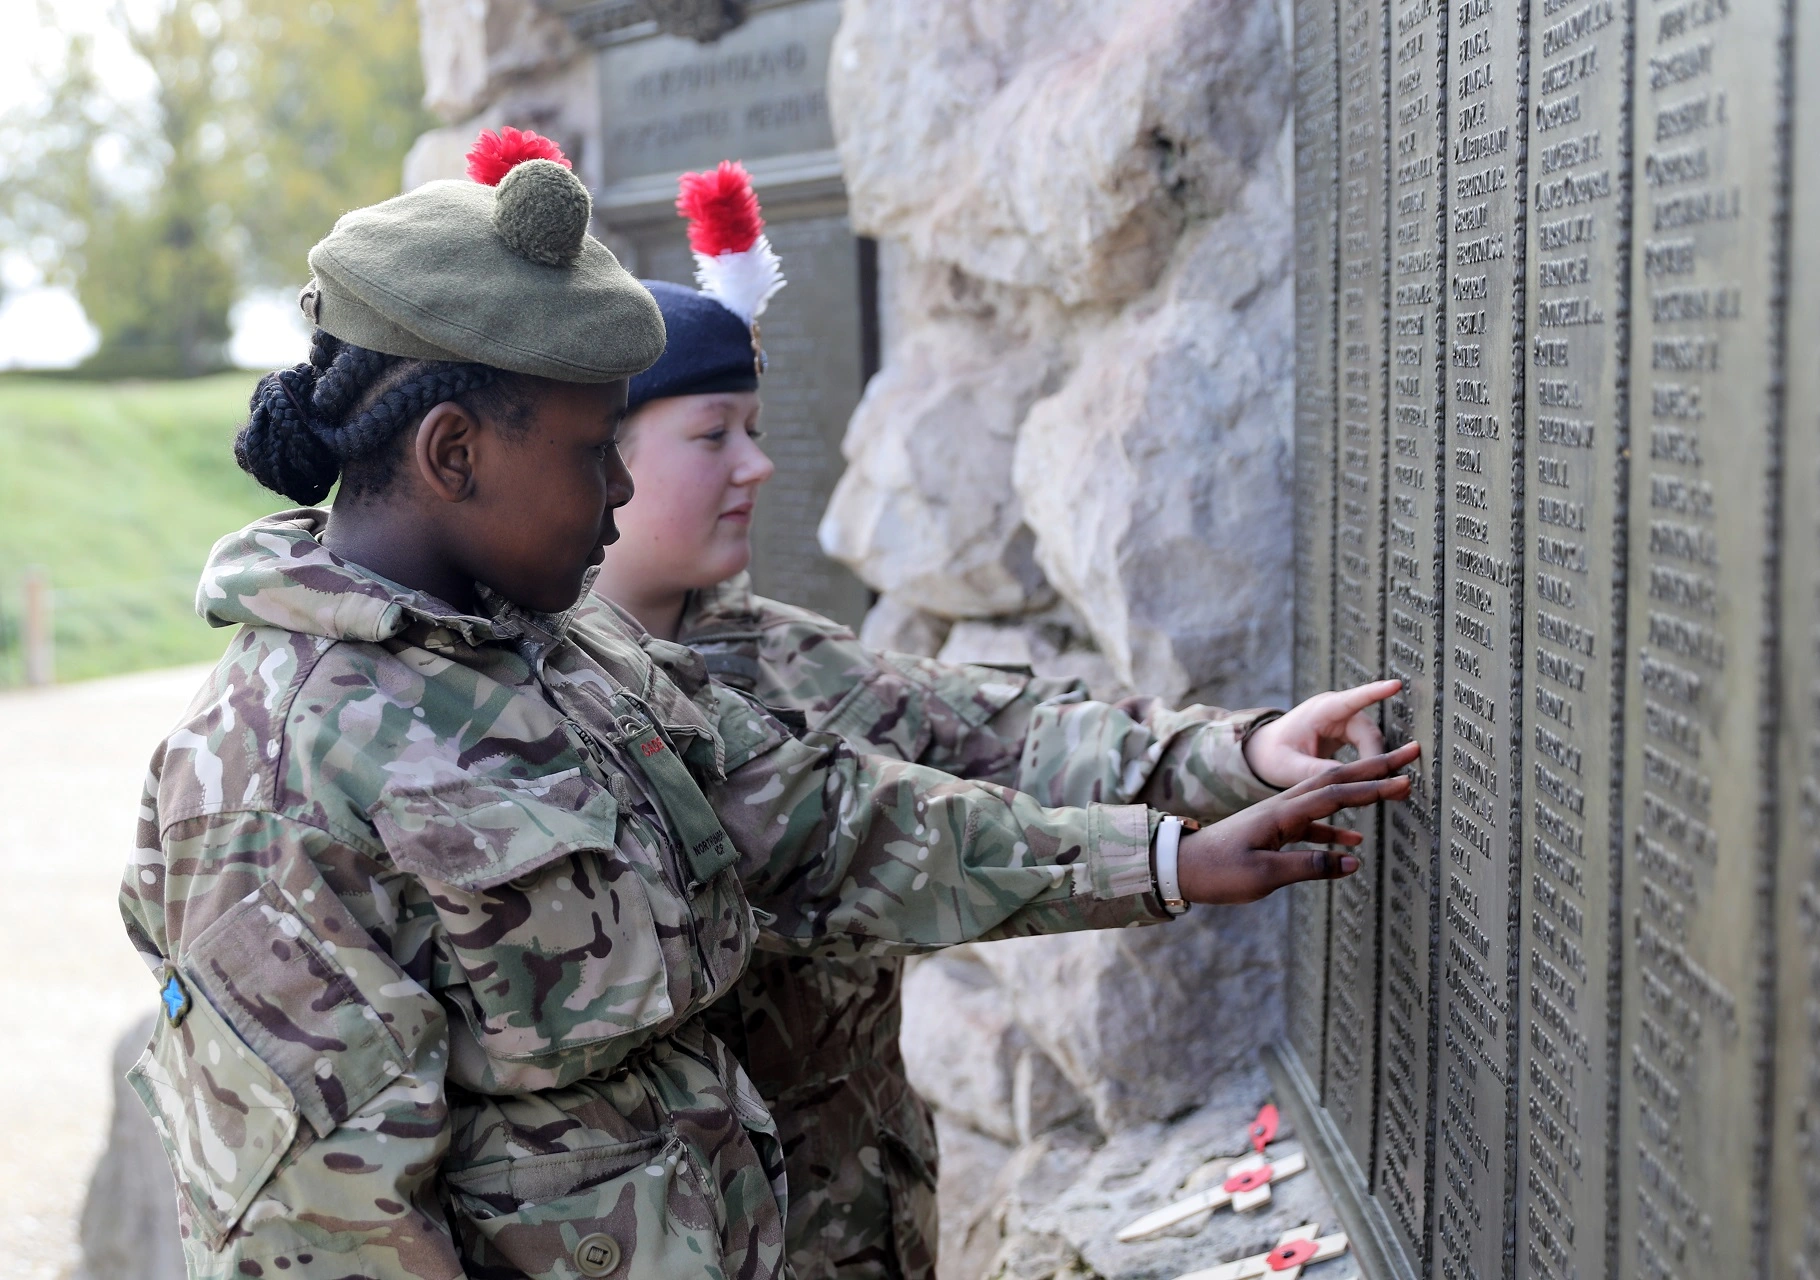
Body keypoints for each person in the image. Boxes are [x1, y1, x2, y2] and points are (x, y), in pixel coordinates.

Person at [119, 129, 1418, 1280]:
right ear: (453, 450)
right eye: (589, 455)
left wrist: (1170, 853)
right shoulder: (274, 777)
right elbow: (321, 1235)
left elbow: (822, 824)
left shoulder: (567, 655)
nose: (617, 495)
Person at [592, 163, 1407, 1280]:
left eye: (756, 426)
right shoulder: (562, 705)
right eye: (712, 435)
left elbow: (986, 731)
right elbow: (873, 845)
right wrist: (1170, 858)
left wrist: (1236, 751)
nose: (759, 464)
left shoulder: (763, 644)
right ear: (600, 456)